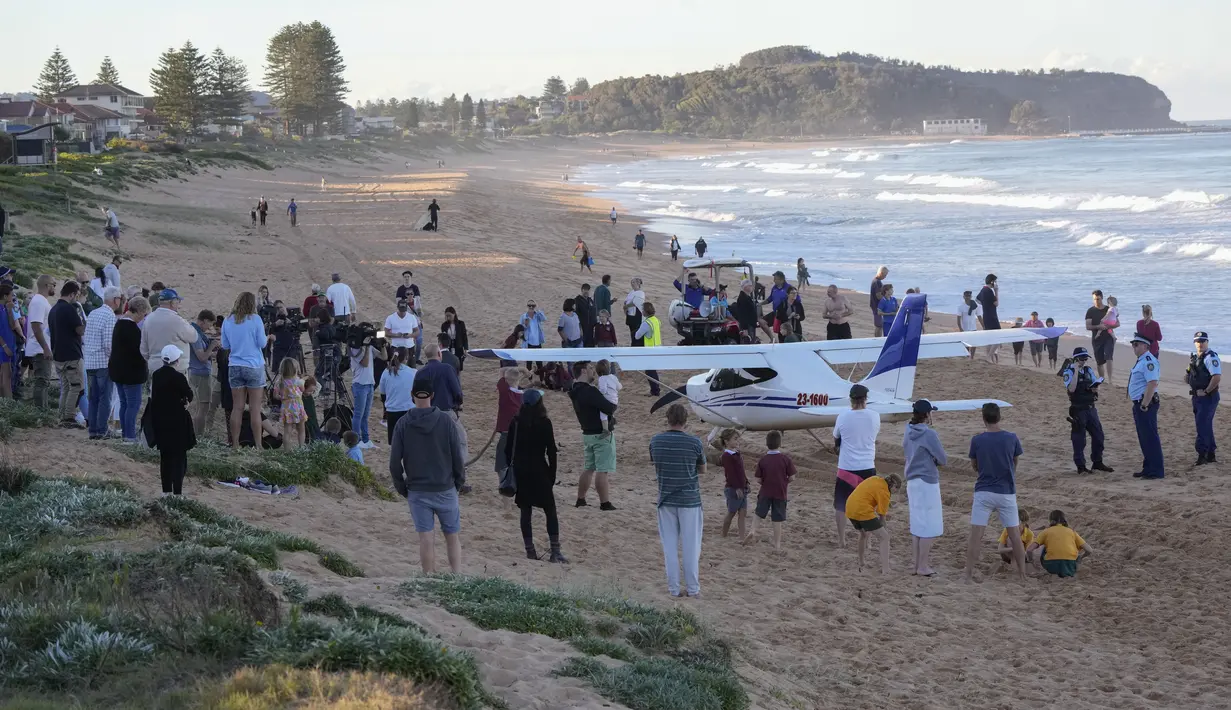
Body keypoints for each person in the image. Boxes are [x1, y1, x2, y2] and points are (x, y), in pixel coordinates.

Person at [389, 378, 466, 574]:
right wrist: (458, 482)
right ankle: (456, 576)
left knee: (426, 537)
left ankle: (428, 577)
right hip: (445, 486)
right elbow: (458, 456)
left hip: (417, 489)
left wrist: (401, 486)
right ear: (432, 395)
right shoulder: (446, 421)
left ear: (412, 395)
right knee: (452, 536)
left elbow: (394, 462)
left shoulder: (403, 423)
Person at [963, 403, 1027, 583]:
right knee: (1015, 535)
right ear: (999, 417)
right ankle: (1022, 574)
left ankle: (968, 573)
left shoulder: (977, 440)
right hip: (1006, 491)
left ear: (984, 419)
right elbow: (1015, 462)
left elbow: (975, 465)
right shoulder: (1011, 438)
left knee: (976, 535)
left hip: (984, 490)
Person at [648, 403, 705, 597]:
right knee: (691, 546)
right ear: (685, 420)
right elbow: (702, 469)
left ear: (668, 419)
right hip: (689, 499)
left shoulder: (656, 441)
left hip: (666, 498)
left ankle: (673, 589)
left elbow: (655, 463)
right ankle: (693, 589)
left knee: (669, 547)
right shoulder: (695, 443)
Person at [506, 389, 568, 563]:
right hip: (540, 470)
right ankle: (555, 552)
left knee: (526, 511)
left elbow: (507, 449)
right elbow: (551, 450)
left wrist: (515, 466)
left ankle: (530, 550)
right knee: (550, 510)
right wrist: (552, 474)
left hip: (522, 471)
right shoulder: (544, 422)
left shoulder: (516, 422)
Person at [222, 292, 271, 451]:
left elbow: (225, 345)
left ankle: (235, 444)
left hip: (235, 365)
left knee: (237, 407)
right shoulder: (255, 319)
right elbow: (262, 343)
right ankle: (258, 445)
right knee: (255, 409)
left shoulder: (228, 320)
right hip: (253, 365)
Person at [833, 384, 879, 548]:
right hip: (867, 464)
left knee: (841, 505)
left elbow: (836, 436)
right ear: (865, 399)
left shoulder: (843, 416)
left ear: (851, 399)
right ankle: (868, 540)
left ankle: (842, 540)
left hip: (847, 466)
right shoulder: (874, 416)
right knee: (867, 504)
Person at [146, 344, 196, 496]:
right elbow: (189, 395)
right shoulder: (178, 377)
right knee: (179, 458)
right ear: (176, 361)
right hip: (178, 421)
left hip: (160, 421)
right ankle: (178, 492)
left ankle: (166, 491)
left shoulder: (156, 375)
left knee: (165, 458)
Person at [903, 399, 946, 576]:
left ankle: (916, 565)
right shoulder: (929, 434)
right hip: (927, 480)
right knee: (930, 525)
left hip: (912, 480)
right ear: (927, 415)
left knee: (918, 523)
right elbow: (943, 459)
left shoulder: (907, 430)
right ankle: (923, 566)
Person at [569, 361, 617, 509]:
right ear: (583, 371)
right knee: (602, 470)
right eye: (590, 368)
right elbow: (609, 407)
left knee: (589, 468)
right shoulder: (590, 391)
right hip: (600, 434)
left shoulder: (574, 390)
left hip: (587, 432)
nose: (593, 371)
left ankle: (581, 499)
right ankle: (604, 502)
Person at [415, 344, 468, 470]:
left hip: (426, 413)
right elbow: (457, 391)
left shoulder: (420, 372)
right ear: (439, 354)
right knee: (461, 440)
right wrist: (458, 403)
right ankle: (461, 471)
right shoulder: (447, 369)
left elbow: (415, 395)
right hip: (446, 411)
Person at [1060, 346, 1113, 474]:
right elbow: (1071, 389)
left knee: (1099, 436)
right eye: (1082, 358)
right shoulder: (1069, 372)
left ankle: (1097, 462)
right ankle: (1081, 466)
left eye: (1085, 358)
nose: (1084, 361)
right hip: (1078, 409)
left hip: (1091, 407)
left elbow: (1094, 384)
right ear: (1076, 359)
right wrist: (1076, 371)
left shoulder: (1088, 370)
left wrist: (1095, 388)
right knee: (1079, 439)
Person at [745, 430, 797, 550]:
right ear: (780, 444)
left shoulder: (763, 460)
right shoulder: (785, 459)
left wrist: (765, 482)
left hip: (765, 491)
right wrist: (784, 482)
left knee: (759, 513)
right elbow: (792, 477)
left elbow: (758, 479)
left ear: (767, 444)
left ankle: (752, 531)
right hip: (780, 492)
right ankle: (777, 544)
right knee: (777, 519)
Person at [83, 286, 122, 439]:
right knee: (105, 398)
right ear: (115, 300)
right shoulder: (109, 315)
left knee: (93, 398)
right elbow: (108, 344)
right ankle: (102, 430)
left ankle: (93, 429)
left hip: (90, 361)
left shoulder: (93, 313)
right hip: (103, 363)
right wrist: (114, 361)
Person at [845, 473, 904, 574]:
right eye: (896, 489)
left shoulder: (875, 479)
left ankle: (861, 562)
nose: (896, 492)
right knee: (884, 537)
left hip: (850, 507)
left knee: (863, 534)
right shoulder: (885, 492)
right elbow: (882, 518)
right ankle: (886, 569)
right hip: (862, 511)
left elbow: (871, 492)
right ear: (893, 486)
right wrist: (884, 532)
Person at [109, 296, 149, 442]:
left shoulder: (119, 324)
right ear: (139, 311)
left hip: (117, 371)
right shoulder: (132, 329)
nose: (143, 317)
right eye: (144, 314)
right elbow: (139, 353)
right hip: (130, 374)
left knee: (125, 403)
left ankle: (126, 434)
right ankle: (130, 436)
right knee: (133, 404)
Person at [49, 281, 86, 426]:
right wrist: (82, 317)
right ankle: (68, 417)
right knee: (75, 386)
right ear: (71, 294)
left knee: (65, 387)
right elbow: (80, 330)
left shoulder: (54, 309)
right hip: (71, 354)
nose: (76, 298)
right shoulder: (69, 309)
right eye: (76, 296)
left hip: (58, 354)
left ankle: (62, 414)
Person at [1127, 333, 1163, 478]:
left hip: (1145, 404)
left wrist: (1144, 404)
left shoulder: (1148, 361)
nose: (1134, 348)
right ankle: (1148, 467)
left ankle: (1156, 470)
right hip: (1140, 403)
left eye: (1136, 345)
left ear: (1145, 346)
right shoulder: (1141, 360)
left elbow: (1152, 383)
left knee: (1150, 437)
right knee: (1144, 437)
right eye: (1133, 345)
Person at [140, 289, 197, 375]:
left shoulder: (148, 319)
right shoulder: (177, 320)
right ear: (172, 303)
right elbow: (193, 337)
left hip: (155, 367)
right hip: (177, 368)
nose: (178, 305)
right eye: (177, 302)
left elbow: (144, 349)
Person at [1027, 510, 1094, 578]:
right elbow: (1089, 550)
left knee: (1045, 547)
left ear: (1051, 520)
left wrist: (1031, 561)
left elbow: (1029, 550)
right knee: (1073, 551)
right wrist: (1080, 558)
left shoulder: (1046, 531)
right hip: (1070, 566)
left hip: (1051, 566)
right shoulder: (1072, 532)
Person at [1187, 331, 1221, 466]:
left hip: (1208, 397)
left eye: (1202, 341)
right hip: (1197, 396)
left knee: (1202, 425)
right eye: (1197, 341)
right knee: (1205, 425)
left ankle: (1203, 454)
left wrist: (1206, 391)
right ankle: (1211, 454)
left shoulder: (1210, 358)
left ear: (1207, 342)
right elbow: (1187, 376)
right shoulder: (1195, 358)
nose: (1200, 344)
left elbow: (1216, 377)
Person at [187, 310, 220, 436]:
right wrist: (211, 346)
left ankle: (197, 434)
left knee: (200, 407)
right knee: (203, 407)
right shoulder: (196, 335)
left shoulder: (196, 332)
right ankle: (199, 436)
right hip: (200, 373)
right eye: (209, 324)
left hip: (197, 372)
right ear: (205, 321)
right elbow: (201, 357)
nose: (209, 328)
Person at [349, 326, 378, 450]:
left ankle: (366, 440)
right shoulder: (354, 349)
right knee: (358, 415)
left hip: (370, 384)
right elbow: (365, 363)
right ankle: (357, 440)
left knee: (365, 416)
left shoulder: (369, 347)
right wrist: (366, 347)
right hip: (360, 384)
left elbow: (383, 356)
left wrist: (382, 345)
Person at [495, 367, 524, 487]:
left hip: (507, 434)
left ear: (506, 380)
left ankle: (506, 490)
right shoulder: (523, 397)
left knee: (502, 466)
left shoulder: (505, 392)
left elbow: (501, 370)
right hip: (521, 435)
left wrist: (520, 369)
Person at [379, 349, 415, 443]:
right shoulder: (413, 372)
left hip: (392, 411)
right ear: (406, 358)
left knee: (395, 443)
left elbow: (382, 393)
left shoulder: (386, 372)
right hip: (409, 410)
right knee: (409, 441)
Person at [275, 358, 307, 448]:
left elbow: (275, 396)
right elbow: (302, 390)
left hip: (286, 406)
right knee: (301, 429)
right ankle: (301, 447)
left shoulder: (279, 382)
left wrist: (283, 397)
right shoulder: (299, 381)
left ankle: (287, 450)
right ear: (295, 369)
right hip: (298, 406)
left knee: (287, 430)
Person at [632, 302, 663, 396]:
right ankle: (655, 389)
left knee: (650, 371)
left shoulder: (646, 323)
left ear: (645, 311)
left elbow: (637, 336)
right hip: (657, 347)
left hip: (650, 350)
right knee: (652, 370)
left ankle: (655, 391)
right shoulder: (656, 320)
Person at [1085, 290, 1115, 382]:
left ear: (1102, 298)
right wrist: (1098, 326)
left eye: (1098, 299)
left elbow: (1117, 323)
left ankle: (1110, 380)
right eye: (1094, 299)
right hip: (1096, 339)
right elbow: (1088, 326)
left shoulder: (1108, 309)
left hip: (1108, 337)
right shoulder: (1090, 311)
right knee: (1099, 362)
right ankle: (1102, 379)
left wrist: (1107, 326)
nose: (1096, 301)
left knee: (1108, 357)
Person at [977, 274, 1000, 363]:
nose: (996, 283)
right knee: (998, 338)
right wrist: (996, 291)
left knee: (989, 338)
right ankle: (988, 356)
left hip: (986, 315)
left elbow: (978, 300)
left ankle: (988, 357)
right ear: (992, 282)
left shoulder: (983, 289)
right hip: (992, 316)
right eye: (995, 281)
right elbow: (996, 304)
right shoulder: (989, 291)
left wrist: (985, 304)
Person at [0, 284, 17, 399]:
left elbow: (12, 326)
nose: (13, 297)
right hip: (3, 348)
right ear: (5, 296)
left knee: (6, 376)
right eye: (11, 295)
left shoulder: (5, 308)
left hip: (9, 346)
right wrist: (5, 346)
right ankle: (9, 405)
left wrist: (10, 310)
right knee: (6, 376)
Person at [441, 306, 468, 371]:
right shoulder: (444, 325)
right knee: (449, 364)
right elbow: (443, 337)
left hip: (458, 346)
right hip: (448, 347)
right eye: (446, 316)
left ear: (454, 314)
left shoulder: (461, 324)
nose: (448, 318)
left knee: (459, 365)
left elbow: (464, 336)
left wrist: (466, 348)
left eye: (449, 316)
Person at [624, 279, 646, 346]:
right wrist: (625, 307)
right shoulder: (631, 292)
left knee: (636, 332)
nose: (632, 284)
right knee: (632, 332)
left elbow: (635, 302)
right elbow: (626, 301)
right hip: (630, 315)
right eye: (631, 282)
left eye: (634, 282)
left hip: (637, 316)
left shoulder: (641, 293)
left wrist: (626, 306)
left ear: (638, 283)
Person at [869, 266, 888, 337]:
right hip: (876, 306)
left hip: (877, 306)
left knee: (880, 325)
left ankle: (878, 338)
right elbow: (879, 296)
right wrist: (887, 298)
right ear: (881, 273)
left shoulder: (878, 281)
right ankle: (877, 339)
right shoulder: (876, 282)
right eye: (885, 275)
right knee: (878, 325)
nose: (885, 277)